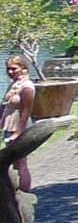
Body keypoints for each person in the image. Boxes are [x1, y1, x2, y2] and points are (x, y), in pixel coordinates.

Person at [4, 56, 36, 194]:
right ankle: (14, 191)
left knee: (20, 162)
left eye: (14, 69)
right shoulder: (14, 84)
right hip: (8, 126)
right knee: (12, 162)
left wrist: (18, 132)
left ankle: (24, 193)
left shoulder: (27, 87)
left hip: (19, 127)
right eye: (8, 69)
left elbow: (26, 112)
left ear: (23, 68)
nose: (10, 72)